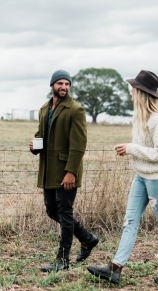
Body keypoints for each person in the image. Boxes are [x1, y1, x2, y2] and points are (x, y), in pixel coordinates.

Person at [87, 70, 158, 285]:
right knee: (129, 221)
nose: (130, 91)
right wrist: (130, 149)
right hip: (141, 176)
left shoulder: (157, 120)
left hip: (156, 179)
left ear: (141, 92)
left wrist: (132, 148)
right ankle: (115, 268)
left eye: (133, 88)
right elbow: (146, 148)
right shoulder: (141, 118)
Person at [29, 69, 99, 272]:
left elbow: (78, 145)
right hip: (48, 171)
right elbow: (42, 135)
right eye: (60, 83)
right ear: (52, 85)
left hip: (66, 171)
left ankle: (62, 260)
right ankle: (87, 238)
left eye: (67, 84)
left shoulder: (75, 109)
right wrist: (35, 146)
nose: (64, 87)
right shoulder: (44, 109)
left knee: (65, 212)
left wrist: (71, 172)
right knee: (52, 210)